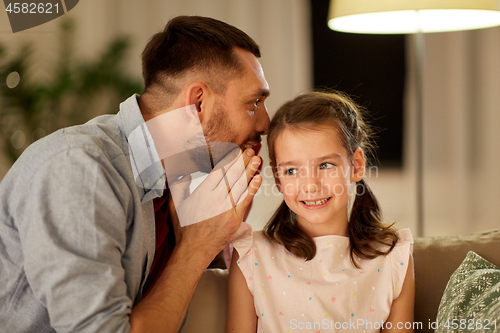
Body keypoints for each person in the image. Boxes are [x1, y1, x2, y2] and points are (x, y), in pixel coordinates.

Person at [0, 16, 270, 333]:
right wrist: (196, 248)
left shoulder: (184, 169)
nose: (265, 123)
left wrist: (216, 240)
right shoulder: (78, 169)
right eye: (254, 103)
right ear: (198, 103)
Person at [226, 91, 414, 332]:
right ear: (277, 177)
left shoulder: (393, 258)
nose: (311, 185)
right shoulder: (252, 256)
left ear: (356, 164)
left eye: (325, 165)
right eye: (292, 171)